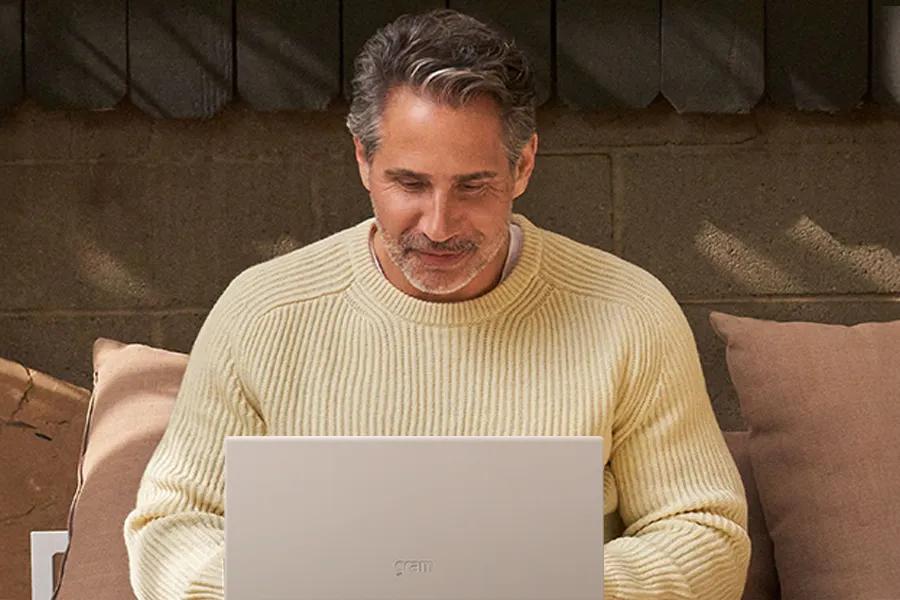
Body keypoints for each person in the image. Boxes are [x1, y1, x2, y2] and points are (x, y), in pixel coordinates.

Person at [123, 8, 750, 599]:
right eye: (410, 183)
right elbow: (170, 528)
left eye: (474, 186)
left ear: (524, 165)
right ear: (364, 161)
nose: (440, 225)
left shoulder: (629, 312)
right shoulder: (262, 313)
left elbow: (706, 536)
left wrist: (546, 585)